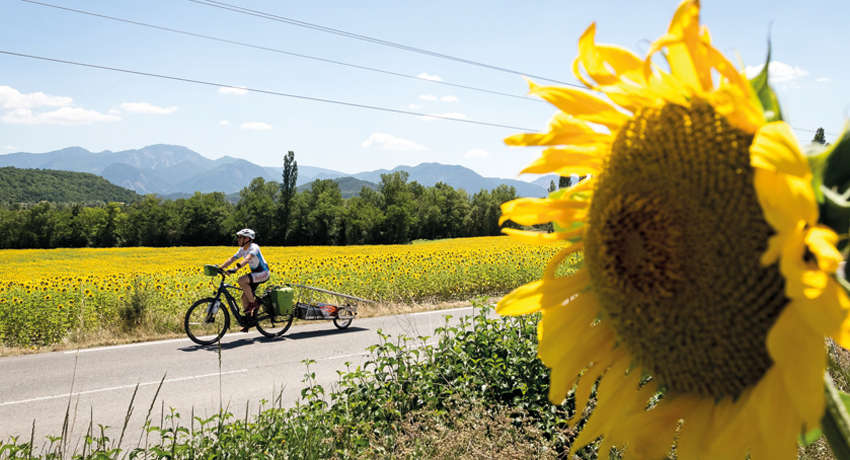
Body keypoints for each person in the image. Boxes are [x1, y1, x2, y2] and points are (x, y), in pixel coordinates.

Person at [219, 228, 270, 332]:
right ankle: (248, 322)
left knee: (242, 280)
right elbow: (232, 259)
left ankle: (253, 303)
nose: (238, 239)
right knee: (243, 297)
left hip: (263, 273)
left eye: (240, 237)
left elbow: (247, 259)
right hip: (256, 274)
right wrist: (220, 268)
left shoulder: (254, 247)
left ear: (247, 239)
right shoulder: (242, 249)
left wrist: (235, 269)